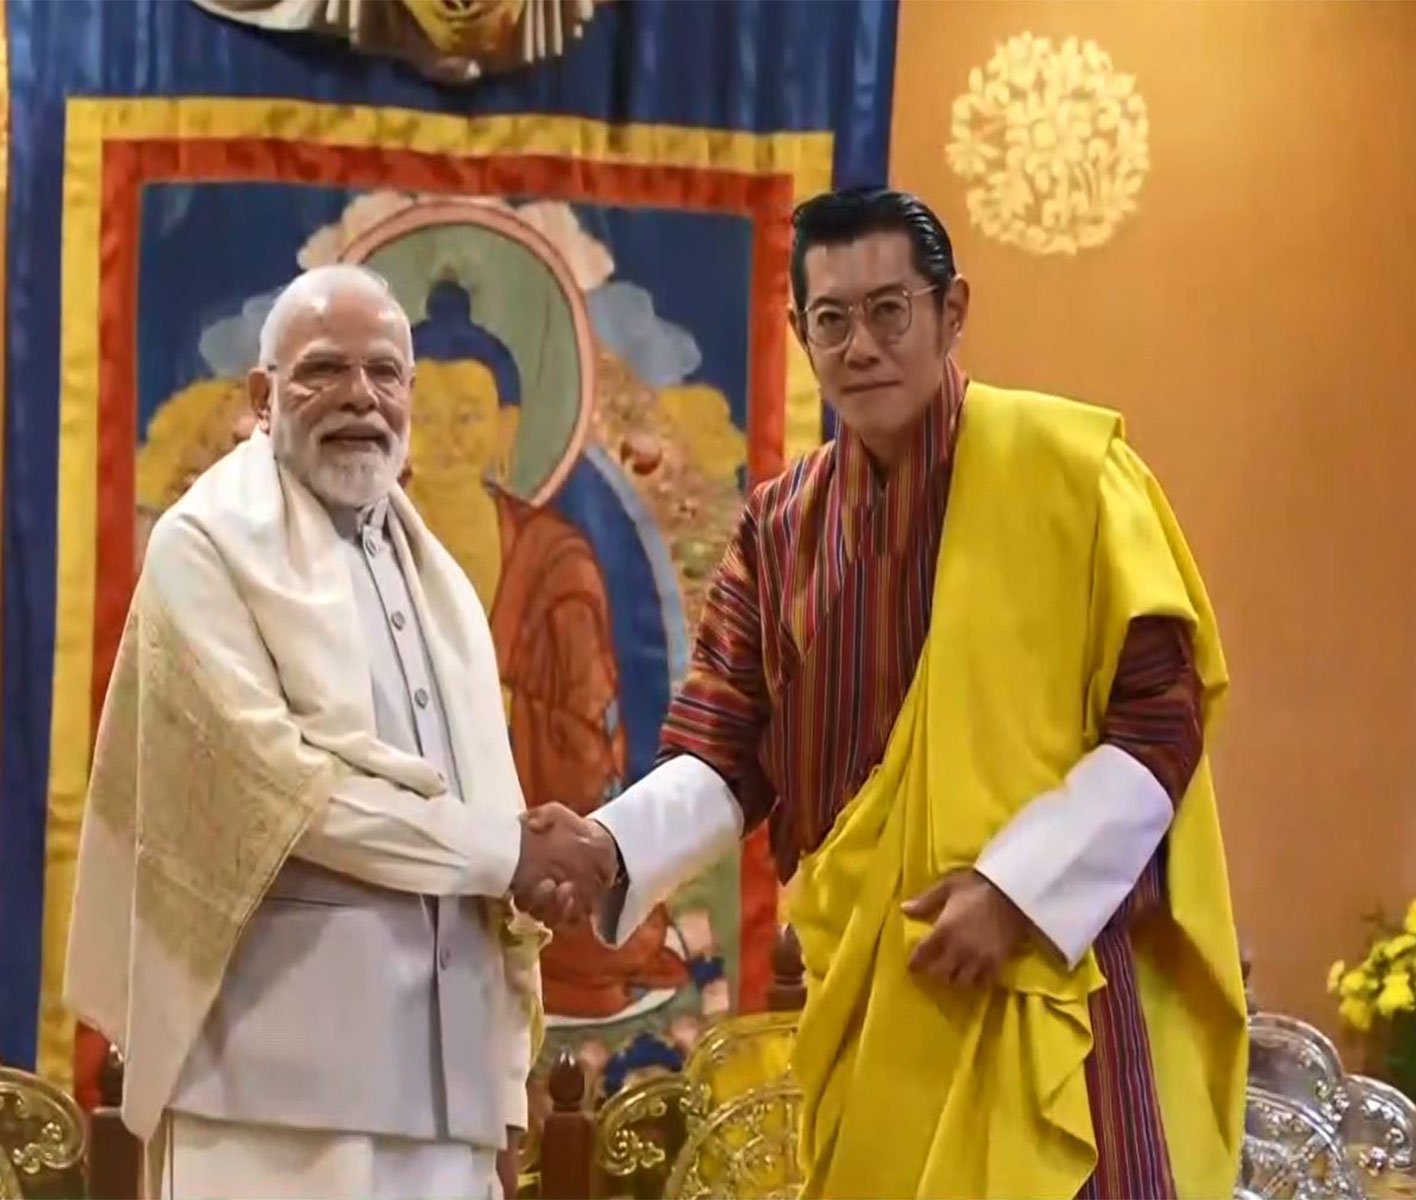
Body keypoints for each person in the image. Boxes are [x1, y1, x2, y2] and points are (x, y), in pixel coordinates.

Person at [529, 187, 1248, 1198]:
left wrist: (1017, 890)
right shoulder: (781, 528)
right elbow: (725, 749)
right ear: (800, 334)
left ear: (952, 312)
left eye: (888, 311)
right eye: (831, 319)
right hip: (875, 991)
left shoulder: (1070, 473)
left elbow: (1159, 721)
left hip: (1049, 986)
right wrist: (608, 847)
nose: (860, 345)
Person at [63, 264, 613, 1200]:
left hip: (446, 1108)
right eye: (324, 370)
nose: (361, 395)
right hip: (272, 1102)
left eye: (385, 372)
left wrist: (498, 1091)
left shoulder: (434, 575)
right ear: (263, 396)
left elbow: (487, 805)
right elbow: (285, 793)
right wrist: (510, 853)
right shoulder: (205, 547)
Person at [406, 278, 687, 1019]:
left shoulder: (556, 558)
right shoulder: (354, 545)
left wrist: (504, 709)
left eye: (467, 415)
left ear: (508, 427)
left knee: (590, 931)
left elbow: (589, 741)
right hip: (392, 842)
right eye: (423, 414)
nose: (443, 435)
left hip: (529, 840)